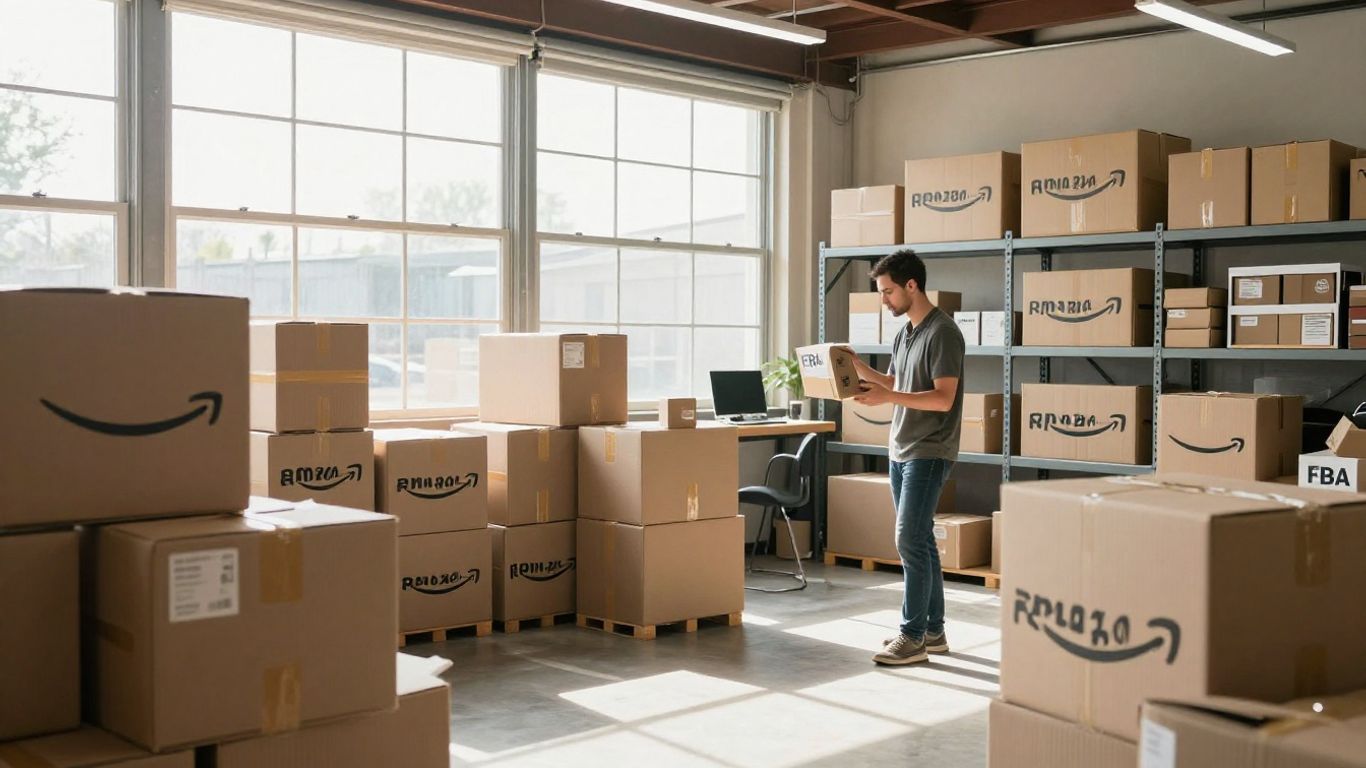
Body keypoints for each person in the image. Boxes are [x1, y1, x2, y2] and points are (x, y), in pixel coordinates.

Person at [851, 249, 965, 666]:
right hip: (900, 448)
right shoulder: (906, 333)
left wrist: (889, 395)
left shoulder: (943, 333)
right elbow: (898, 382)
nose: (883, 300)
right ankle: (933, 631)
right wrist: (861, 370)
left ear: (911, 286)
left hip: (929, 450)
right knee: (920, 542)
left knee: (909, 540)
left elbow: (942, 397)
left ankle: (912, 637)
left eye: (887, 292)